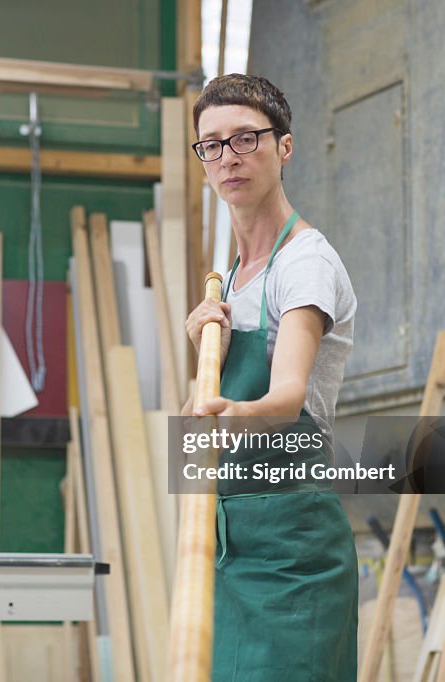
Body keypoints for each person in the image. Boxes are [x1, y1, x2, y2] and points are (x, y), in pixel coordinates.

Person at [182, 74, 359, 681]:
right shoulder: (230, 282)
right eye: (211, 144)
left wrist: (221, 414)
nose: (228, 157)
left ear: (284, 147)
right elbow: (194, 430)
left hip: (293, 558)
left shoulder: (303, 263)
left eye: (246, 139)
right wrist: (205, 356)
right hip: (233, 551)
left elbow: (284, 400)